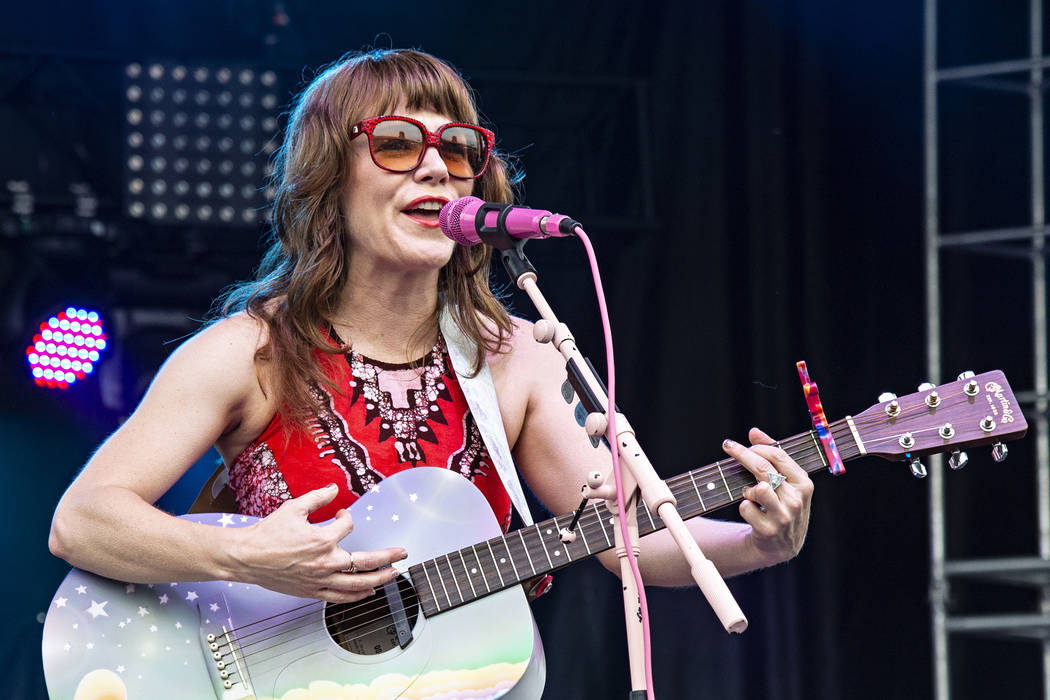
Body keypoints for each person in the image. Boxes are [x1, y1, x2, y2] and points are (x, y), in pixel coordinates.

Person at [48, 47, 813, 688]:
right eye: (397, 143)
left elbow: (622, 540)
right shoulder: (249, 352)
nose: (437, 169)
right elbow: (81, 522)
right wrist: (244, 556)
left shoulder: (518, 358)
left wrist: (760, 544)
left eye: (458, 149)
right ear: (329, 177)